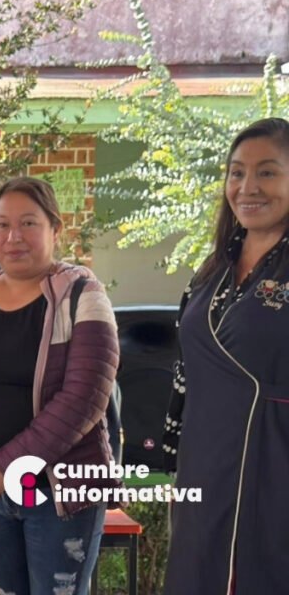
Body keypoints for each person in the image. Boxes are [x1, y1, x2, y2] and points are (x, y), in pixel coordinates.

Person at [0, 176, 119, 595]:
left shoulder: (83, 295)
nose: (14, 237)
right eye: (1, 225)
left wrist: (7, 467)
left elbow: (85, 396)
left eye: (29, 223)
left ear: (55, 229)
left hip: (58, 492)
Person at [162, 117, 289, 594]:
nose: (247, 187)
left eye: (268, 172)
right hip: (204, 462)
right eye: (236, 173)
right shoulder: (213, 268)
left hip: (275, 463)